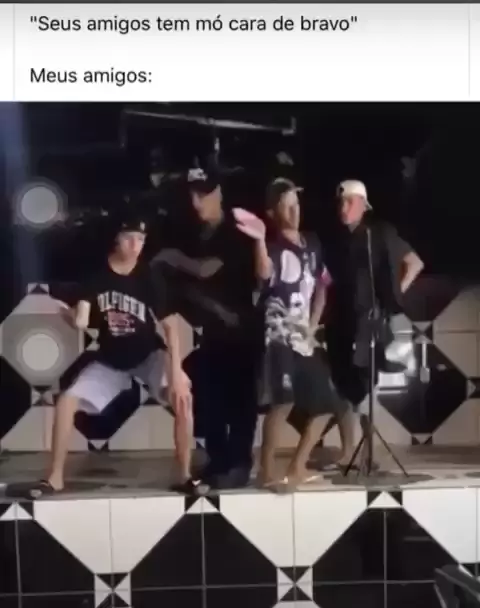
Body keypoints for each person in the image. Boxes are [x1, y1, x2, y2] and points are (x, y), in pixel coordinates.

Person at [24, 215, 193, 498]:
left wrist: (176, 373)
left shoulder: (149, 276)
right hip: (111, 360)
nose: (135, 246)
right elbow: (83, 319)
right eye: (129, 238)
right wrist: (70, 316)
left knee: (183, 394)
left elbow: (171, 327)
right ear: (116, 239)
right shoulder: (96, 277)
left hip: (148, 354)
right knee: (66, 402)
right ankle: (54, 478)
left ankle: (186, 475)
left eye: (141, 240)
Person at [233, 178, 354, 489]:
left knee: (328, 405)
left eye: (296, 204)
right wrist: (259, 240)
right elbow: (264, 273)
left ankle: (297, 466)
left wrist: (312, 325)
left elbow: (323, 285)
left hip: (303, 339)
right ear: (272, 212)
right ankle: (266, 470)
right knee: (283, 403)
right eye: (286, 205)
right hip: (278, 338)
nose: (294, 211)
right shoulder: (273, 248)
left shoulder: (312, 242)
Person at [322, 179, 424, 448]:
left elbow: (414, 263)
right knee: (342, 386)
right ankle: (348, 451)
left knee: (365, 386)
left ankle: (367, 450)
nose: (343, 208)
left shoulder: (379, 232)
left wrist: (390, 296)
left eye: (349, 202)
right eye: (340, 202)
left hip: (367, 322)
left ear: (363, 204)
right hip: (340, 322)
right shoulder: (335, 239)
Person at [179, 167, 260, 490]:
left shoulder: (236, 230)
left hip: (242, 331)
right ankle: (218, 460)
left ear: (218, 194)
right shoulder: (195, 234)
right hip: (213, 333)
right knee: (210, 398)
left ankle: (239, 464)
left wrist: (211, 303)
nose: (196, 202)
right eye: (193, 195)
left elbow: (206, 272)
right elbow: (188, 284)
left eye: (203, 194)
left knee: (241, 400)